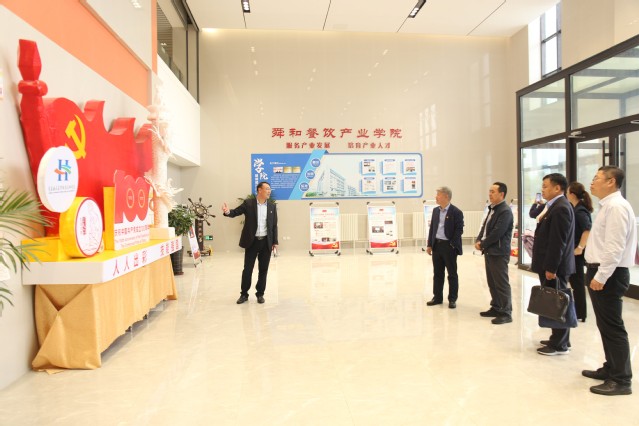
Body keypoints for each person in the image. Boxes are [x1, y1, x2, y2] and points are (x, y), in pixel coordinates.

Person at [582, 166, 637, 396]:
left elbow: (615, 246)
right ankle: (611, 367)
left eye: (596, 178)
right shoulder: (608, 206)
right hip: (603, 272)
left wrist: (602, 275)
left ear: (611, 181)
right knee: (605, 324)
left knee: (613, 327)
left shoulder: (616, 207)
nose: (592, 182)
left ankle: (621, 380)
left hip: (609, 274)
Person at [530, 173, 575, 356]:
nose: (543, 190)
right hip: (550, 264)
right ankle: (560, 338)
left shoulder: (561, 208)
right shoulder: (554, 206)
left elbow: (558, 242)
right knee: (554, 302)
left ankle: (559, 344)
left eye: (546, 186)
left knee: (558, 302)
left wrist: (551, 268)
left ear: (557, 188)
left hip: (555, 267)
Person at [222, 181, 278, 304]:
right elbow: (236, 212)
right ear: (259, 190)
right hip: (252, 242)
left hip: (266, 242)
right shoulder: (249, 203)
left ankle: (260, 294)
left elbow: (274, 226)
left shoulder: (272, 206)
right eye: (267, 189)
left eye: (270, 189)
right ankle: (244, 294)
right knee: (247, 269)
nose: (269, 191)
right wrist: (227, 212)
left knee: (263, 270)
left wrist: (275, 242)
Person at [475, 182, 514, 325]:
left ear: (501, 194)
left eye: (493, 191)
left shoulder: (505, 211)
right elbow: (485, 227)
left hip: (499, 252)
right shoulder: (493, 209)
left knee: (501, 283)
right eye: (489, 191)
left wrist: (483, 243)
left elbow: (497, 232)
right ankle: (496, 307)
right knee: (492, 282)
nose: (490, 194)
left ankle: (506, 312)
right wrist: (479, 239)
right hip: (490, 251)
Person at [426, 186, 464, 309]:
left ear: (446, 196)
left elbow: (459, 230)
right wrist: (430, 244)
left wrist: (452, 244)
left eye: (438, 195)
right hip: (437, 245)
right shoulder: (435, 211)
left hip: (449, 247)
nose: (436, 197)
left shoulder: (456, 212)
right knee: (437, 273)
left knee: (452, 274)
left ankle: (452, 299)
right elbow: (432, 228)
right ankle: (437, 297)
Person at [567, 181, 593, 322]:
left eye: (567, 192)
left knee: (577, 283)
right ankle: (578, 312)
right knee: (576, 282)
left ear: (572, 194)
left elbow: (587, 230)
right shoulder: (576, 208)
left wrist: (579, 248)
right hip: (574, 251)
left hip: (577, 253)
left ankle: (580, 313)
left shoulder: (580, 211)